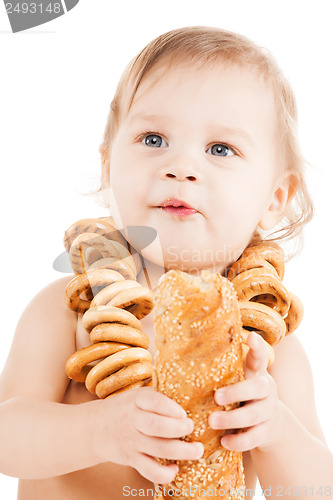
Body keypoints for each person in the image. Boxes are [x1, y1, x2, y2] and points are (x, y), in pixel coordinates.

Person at [0, 25, 332, 500]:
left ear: (275, 198)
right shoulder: (69, 311)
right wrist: (96, 431)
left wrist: (275, 430)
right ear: (109, 168)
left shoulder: (268, 348)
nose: (180, 166)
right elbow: (5, 438)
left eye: (221, 149)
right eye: (153, 138)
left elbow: (318, 490)